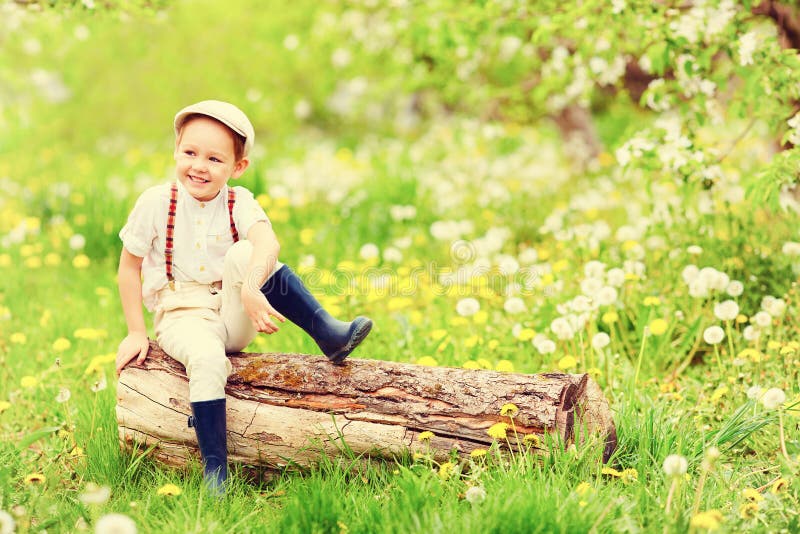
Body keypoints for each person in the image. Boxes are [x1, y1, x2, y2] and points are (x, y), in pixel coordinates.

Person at [115, 100, 372, 494]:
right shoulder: (156, 203)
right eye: (190, 153)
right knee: (204, 358)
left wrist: (251, 287)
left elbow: (267, 241)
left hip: (232, 312)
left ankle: (327, 331)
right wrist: (135, 332)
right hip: (182, 315)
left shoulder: (238, 201)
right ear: (176, 151)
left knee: (244, 253)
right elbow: (128, 269)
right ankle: (215, 468)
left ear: (237, 167)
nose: (199, 166)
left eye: (214, 158)